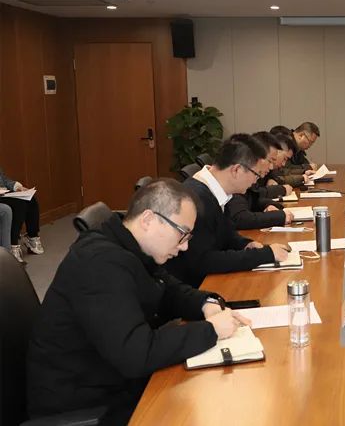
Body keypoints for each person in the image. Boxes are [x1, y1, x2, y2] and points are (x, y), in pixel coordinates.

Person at [27, 179, 250, 424]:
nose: (185, 246)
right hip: (85, 401)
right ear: (148, 220)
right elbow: (136, 354)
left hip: (113, 379)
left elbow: (167, 290)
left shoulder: (131, 246)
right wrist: (210, 330)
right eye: (182, 234)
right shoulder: (100, 263)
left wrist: (205, 303)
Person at [164, 134, 289, 288]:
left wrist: (246, 244)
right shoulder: (197, 199)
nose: (255, 182)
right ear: (236, 170)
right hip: (193, 287)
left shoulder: (217, 191)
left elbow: (226, 234)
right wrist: (264, 255)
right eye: (257, 175)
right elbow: (203, 261)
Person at [226, 132, 295, 230]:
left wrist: (268, 205)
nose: (271, 167)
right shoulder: (237, 175)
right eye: (270, 161)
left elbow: (253, 200)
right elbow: (240, 218)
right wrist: (279, 217)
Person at [0, 168, 44, 263]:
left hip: (3, 194)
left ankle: (32, 237)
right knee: (19, 204)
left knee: (30, 199)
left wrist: (17, 187)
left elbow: (4, 180)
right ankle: (13, 245)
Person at [270, 122, 320, 187]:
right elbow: (283, 171)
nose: (310, 146)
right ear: (301, 135)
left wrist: (307, 169)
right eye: (310, 142)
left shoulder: (297, 147)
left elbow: (302, 163)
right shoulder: (287, 143)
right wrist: (305, 170)